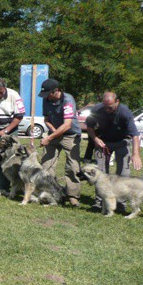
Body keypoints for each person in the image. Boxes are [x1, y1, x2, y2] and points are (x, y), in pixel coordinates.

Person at [38, 79, 82, 207]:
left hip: (70, 135)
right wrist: (53, 130)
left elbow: (67, 125)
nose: (46, 97)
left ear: (56, 91)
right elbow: (46, 119)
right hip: (55, 133)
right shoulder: (46, 100)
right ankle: (50, 193)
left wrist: (49, 138)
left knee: (72, 167)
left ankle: (73, 196)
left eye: (48, 94)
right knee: (46, 164)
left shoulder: (68, 100)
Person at [86, 91, 142, 181]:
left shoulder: (125, 112)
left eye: (110, 108)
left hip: (121, 142)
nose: (107, 110)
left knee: (124, 174)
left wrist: (136, 154)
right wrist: (95, 138)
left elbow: (135, 135)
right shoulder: (97, 109)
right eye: (105, 107)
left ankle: (122, 194)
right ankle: (102, 194)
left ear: (117, 101)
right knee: (100, 174)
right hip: (103, 143)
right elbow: (89, 126)